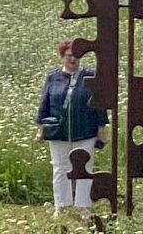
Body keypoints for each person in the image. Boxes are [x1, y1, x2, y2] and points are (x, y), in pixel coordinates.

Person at [36, 40, 109, 213]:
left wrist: (101, 128)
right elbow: (44, 102)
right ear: (63, 57)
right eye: (69, 56)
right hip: (59, 132)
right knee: (60, 168)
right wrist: (41, 127)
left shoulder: (90, 76)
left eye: (76, 56)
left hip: (85, 131)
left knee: (85, 168)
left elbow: (99, 103)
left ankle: (84, 207)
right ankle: (61, 206)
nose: (73, 60)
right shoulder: (53, 77)